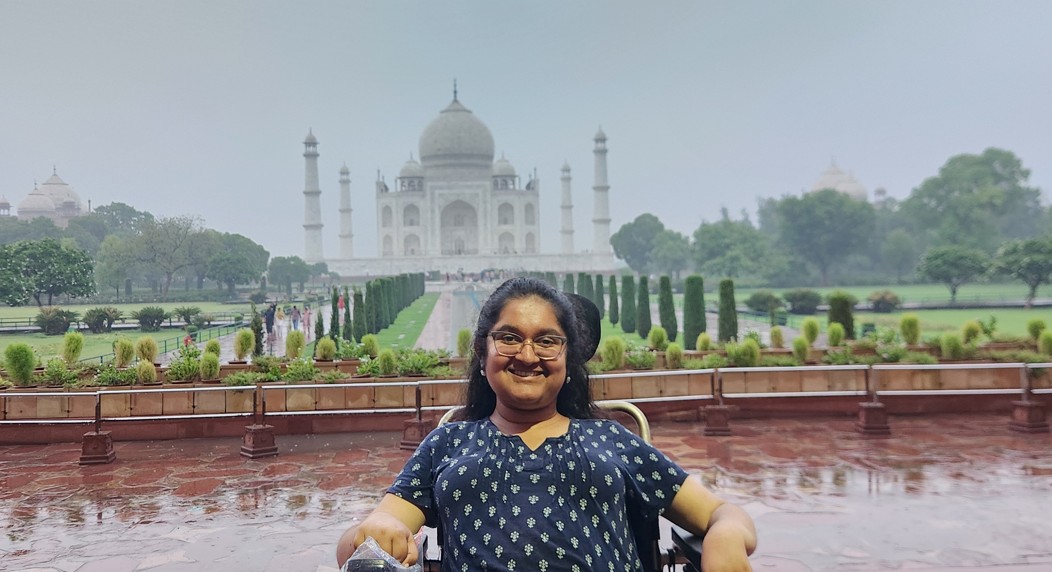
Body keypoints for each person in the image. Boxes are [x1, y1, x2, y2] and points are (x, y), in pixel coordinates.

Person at [336, 277, 756, 571]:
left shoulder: (611, 439)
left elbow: (723, 513)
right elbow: (359, 542)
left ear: (568, 361)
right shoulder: (449, 442)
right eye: (509, 337)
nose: (527, 355)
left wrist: (725, 536)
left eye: (547, 341)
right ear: (482, 355)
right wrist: (377, 531)